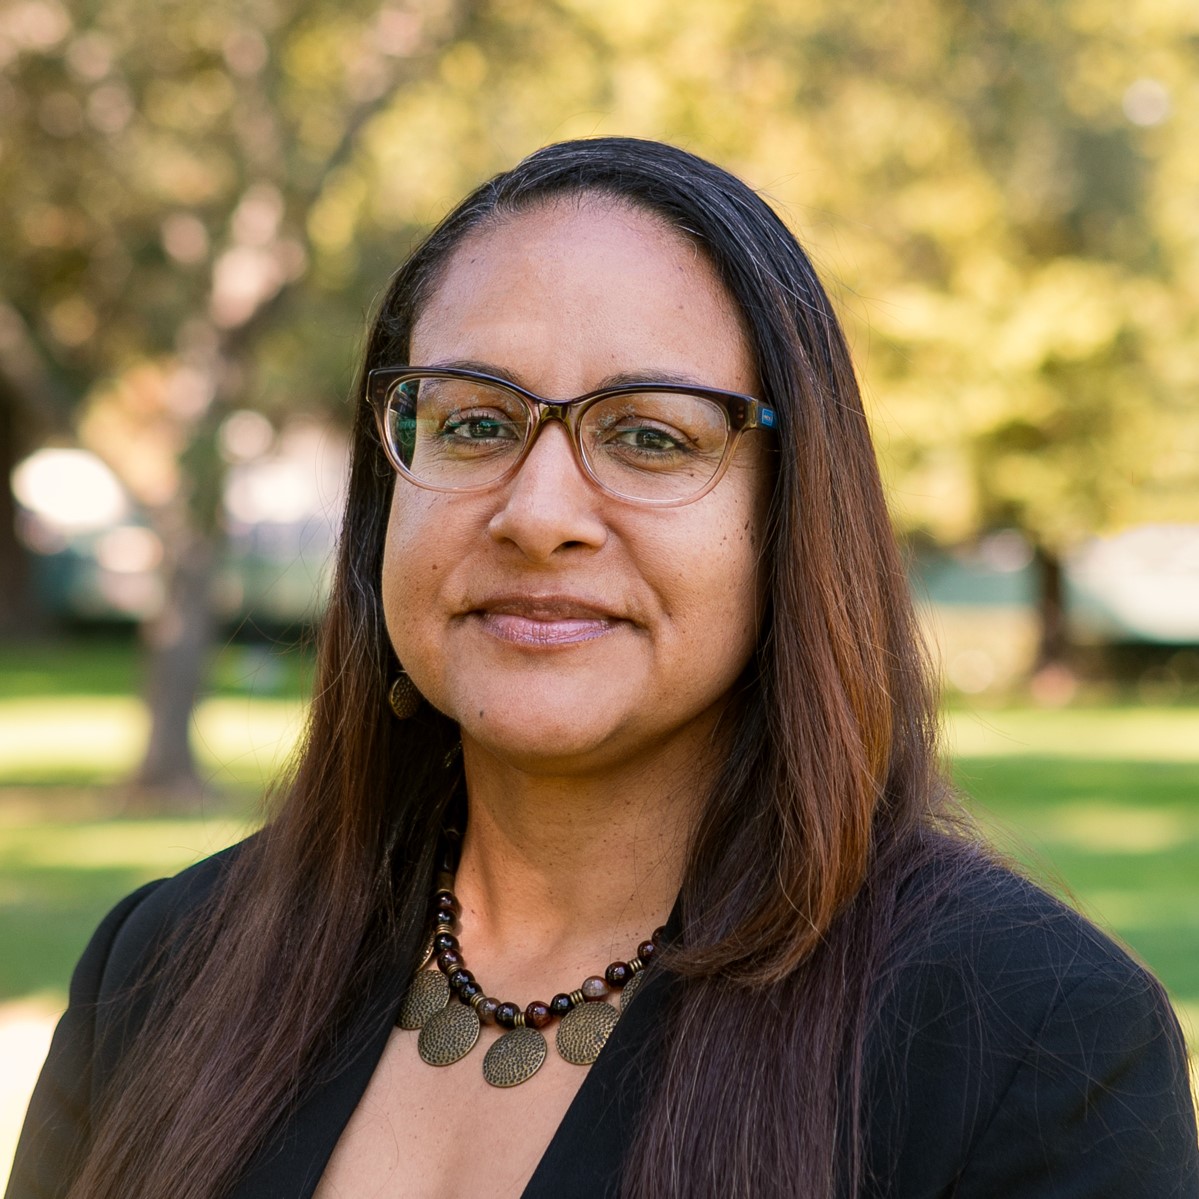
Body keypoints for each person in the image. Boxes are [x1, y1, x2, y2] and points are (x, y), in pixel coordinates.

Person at [7, 137, 1197, 1199]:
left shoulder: (1025, 1037)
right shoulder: (164, 965)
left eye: (647, 434)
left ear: (791, 519)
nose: (537, 511)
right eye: (473, 421)